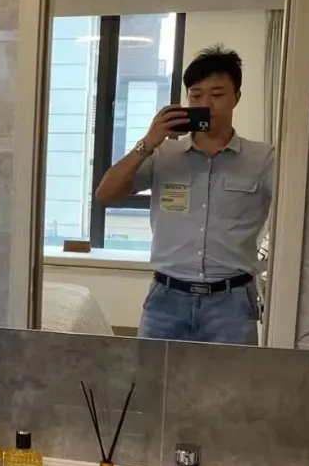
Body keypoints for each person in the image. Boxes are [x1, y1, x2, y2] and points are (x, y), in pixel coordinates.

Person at [95, 46, 275, 345]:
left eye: (217, 94)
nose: (206, 103)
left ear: (236, 97)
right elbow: (106, 193)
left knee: (232, 377)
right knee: (151, 374)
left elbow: (300, 213)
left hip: (231, 304)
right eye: (196, 94)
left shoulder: (263, 159)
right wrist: (147, 143)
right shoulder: (163, 154)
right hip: (166, 300)